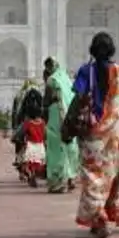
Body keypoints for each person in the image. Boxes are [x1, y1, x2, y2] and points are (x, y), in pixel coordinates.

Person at [63, 32, 119, 238]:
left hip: (92, 134)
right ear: (112, 50)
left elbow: (79, 98)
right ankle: (102, 215)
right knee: (110, 174)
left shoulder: (87, 71)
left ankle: (99, 215)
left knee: (92, 176)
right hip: (115, 135)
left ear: (92, 50)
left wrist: (68, 123)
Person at [43, 57, 79, 193]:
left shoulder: (52, 80)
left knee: (56, 149)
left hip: (56, 115)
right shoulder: (66, 79)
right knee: (70, 146)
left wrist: (44, 115)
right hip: (69, 116)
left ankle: (58, 183)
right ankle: (71, 177)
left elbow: (46, 102)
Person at [20, 108, 47, 187]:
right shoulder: (43, 123)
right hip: (40, 145)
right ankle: (34, 176)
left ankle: (31, 175)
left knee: (29, 163)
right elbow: (45, 134)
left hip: (31, 144)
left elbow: (22, 133)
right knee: (38, 163)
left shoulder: (28, 123)